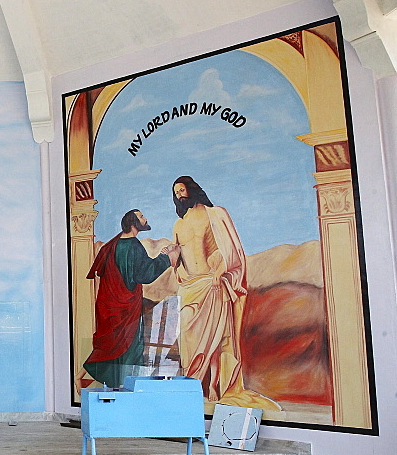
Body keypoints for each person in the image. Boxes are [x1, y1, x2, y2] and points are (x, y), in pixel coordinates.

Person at [171, 175, 279, 409]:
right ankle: (193, 382)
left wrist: (219, 273)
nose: (179, 194)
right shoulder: (178, 225)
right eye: (176, 192)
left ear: (192, 189)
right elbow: (177, 257)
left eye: (182, 189)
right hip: (189, 286)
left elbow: (227, 248)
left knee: (216, 339)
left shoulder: (214, 214)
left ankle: (214, 385)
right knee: (189, 339)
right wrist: (172, 261)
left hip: (211, 284)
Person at [85, 209, 179, 388]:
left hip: (111, 307)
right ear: (133, 222)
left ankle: (117, 386)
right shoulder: (133, 246)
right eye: (142, 217)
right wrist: (165, 258)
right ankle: (129, 389)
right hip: (127, 310)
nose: (145, 219)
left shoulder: (115, 245)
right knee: (130, 349)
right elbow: (145, 274)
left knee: (114, 349)